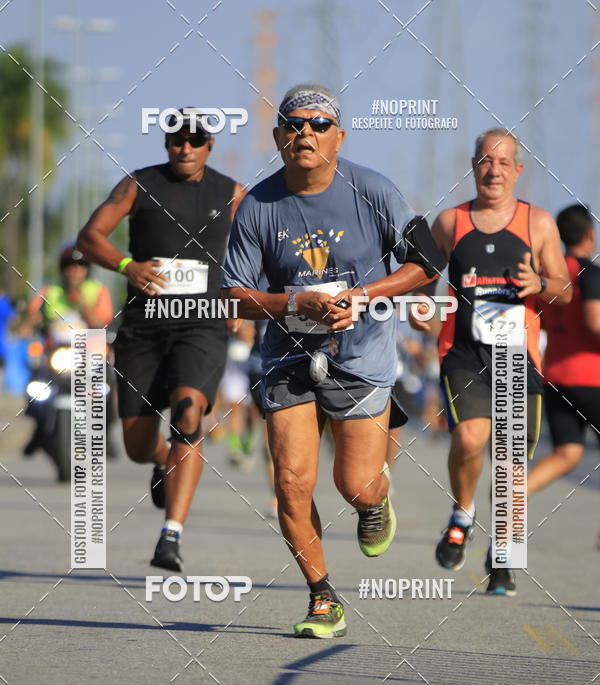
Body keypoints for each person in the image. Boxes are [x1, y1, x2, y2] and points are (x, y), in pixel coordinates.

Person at [222, 84, 443, 638]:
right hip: (287, 356)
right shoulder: (257, 205)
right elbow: (233, 292)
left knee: (356, 485)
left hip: (360, 355)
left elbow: (428, 261)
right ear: (277, 137)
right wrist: (292, 303)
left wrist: (363, 297)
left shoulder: (374, 191)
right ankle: (323, 597)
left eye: (319, 125)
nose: (306, 134)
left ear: (338, 136)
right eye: (294, 124)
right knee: (292, 481)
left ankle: (375, 499)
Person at [78, 109, 245, 571]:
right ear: (166, 144)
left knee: (189, 413)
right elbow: (89, 236)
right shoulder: (139, 183)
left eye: (195, 140)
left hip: (203, 324)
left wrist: (241, 303)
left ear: (210, 145)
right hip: (143, 327)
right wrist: (126, 266)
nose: (185, 148)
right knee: (135, 444)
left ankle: (170, 535)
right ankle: (159, 460)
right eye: (176, 140)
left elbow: (258, 250)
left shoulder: (232, 193)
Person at [416, 129, 572, 596]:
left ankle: (504, 557)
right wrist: (423, 306)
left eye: (504, 162)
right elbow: (421, 273)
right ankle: (462, 516)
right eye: (486, 161)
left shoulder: (538, 223)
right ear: (473, 165)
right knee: (469, 437)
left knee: (510, 467)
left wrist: (538, 284)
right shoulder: (450, 222)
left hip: (517, 357)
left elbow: (563, 289)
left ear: (517, 170)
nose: (494, 170)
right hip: (464, 352)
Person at [528, 204, 600, 544]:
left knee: (567, 453)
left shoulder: (549, 277)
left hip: (554, 377)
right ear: (590, 234)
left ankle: (513, 495)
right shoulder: (590, 273)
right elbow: (595, 323)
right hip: (592, 379)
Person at [24, 245, 115, 456]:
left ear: (87, 269)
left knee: (106, 387)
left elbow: (101, 323)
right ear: (62, 269)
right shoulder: (50, 290)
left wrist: (80, 300)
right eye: (69, 265)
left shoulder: (97, 290)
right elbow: (30, 319)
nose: (74, 270)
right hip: (57, 355)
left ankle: (106, 433)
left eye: (80, 265)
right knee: (35, 388)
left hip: (90, 356)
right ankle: (38, 430)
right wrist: (30, 322)